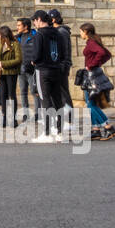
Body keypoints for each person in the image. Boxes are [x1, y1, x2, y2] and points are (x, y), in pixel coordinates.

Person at [28, 11, 64, 142]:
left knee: (45, 101)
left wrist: (33, 60)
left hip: (43, 70)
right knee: (58, 101)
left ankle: (47, 133)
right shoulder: (58, 33)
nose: (35, 24)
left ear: (39, 19)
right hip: (56, 69)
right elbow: (63, 53)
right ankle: (60, 131)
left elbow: (36, 55)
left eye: (35, 21)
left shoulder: (39, 34)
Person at [80, 23, 115, 140]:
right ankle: (96, 130)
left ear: (86, 32)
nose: (80, 33)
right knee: (91, 103)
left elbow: (102, 53)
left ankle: (108, 127)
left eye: (81, 31)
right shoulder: (92, 41)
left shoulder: (91, 43)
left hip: (92, 76)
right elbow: (107, 54)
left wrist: (92, 65)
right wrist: (98, 63)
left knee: (90, 104)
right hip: (93, 74)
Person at [48, 10, 73, 131]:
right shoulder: (57, 31)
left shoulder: (62, 32)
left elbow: (64, 52)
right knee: (59, 94)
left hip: (62, 67)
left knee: (64, 94)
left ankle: (69, 120)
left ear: (53, 19)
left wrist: (62, 66)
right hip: (59, 66)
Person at [0, 26, 21, 128]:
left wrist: (4, 64)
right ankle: (4, 118)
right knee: (3, 96)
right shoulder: (0, 45)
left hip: (11, 73)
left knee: (12, 95)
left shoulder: (15, 44)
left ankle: (14, 119)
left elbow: (18, 59)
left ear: (4, 35)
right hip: (2, 74)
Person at [14, 18, 38, 122]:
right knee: (23, 92)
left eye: (19, 25)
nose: (17, 27)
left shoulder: (35, 36)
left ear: (26, 26)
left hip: (31, 70)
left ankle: (37, 113)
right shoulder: (17, 38)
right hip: (20, 69)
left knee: (34, 92)